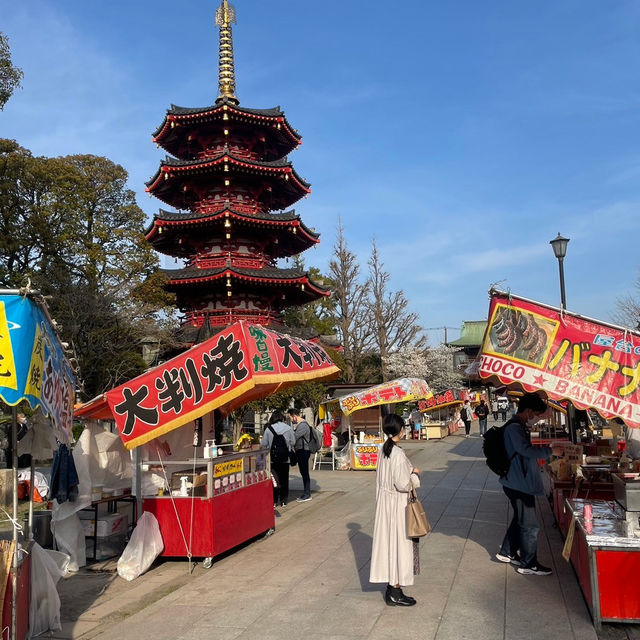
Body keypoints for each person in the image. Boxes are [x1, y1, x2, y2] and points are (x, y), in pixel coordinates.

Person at [496, 392, 562, 576]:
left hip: (517, 480)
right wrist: (550, 451)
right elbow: (525, 450)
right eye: (534, 413)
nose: (535, 417)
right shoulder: (515, 428)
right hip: (518, 482)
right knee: (530, 524)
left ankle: (507, 551)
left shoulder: (518, 425)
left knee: (520, 519)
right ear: (528, 410)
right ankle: (528, 563)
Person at [370, 414, 421, 607]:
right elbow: (402, 484)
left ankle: (393, 587)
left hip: (385, 503)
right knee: (400, 546)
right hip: (397, 505)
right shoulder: (397, 454)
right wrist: (415, 475)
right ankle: (395, 590)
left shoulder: (383, 449)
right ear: (400, 430)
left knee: (391, 545)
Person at [260, 410, 295, 507]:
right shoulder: (288, 428)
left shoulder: (269, 429)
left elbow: (263, 444)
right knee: (284, 479)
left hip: (273, 459)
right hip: (285, 459)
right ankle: (284, 500)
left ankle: (274, 501)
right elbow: (293, 442)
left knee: (274, 480)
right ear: (282, 418)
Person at [289, 407, 312, 502]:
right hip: (302, 450)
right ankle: (306, 493)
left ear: (294, 416)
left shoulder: (302, 425)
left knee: (304, 472)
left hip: (303, 450)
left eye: (290, 417)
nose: (290, 420)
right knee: (303, 472)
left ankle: (307, 494)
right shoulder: (301, 424)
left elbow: (294, 437)